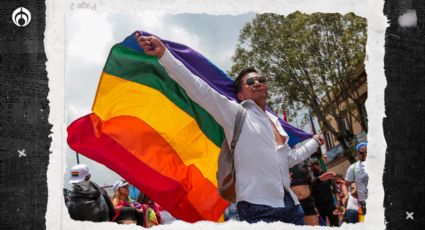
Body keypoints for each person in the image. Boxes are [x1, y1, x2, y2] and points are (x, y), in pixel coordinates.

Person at [136, 33, 324, 225]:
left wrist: (314, 142)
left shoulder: (276, 123)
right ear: (241, 94)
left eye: (261, 79)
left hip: (291, 205)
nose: (257, 82)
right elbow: (199, 89)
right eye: (250, 82)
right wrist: (165, 55)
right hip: (258, 207)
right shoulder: (235, 114)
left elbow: (289, 158)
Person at [289, 158, 335, 225]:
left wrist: (319, 178)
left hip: (308, 203)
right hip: (292, 205)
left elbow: (309, 182)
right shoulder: (276, 157)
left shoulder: (302, 159)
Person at [309, 158, 339, 226]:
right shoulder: (310, 179)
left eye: (316, 164)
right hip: (319, 207)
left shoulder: (327, 174)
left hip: (330, 204)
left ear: (320, 165)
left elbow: (335, 190)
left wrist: (337, 202)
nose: (315, 167)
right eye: (312, 165)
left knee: (335, 225)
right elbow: (310, 193)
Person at [345, 141, 368, 222]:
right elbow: (346, 184)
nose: (364, 154)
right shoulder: (353, 168)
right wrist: (352, 192)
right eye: (362, 152)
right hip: (364, 202)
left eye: (366, 152)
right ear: (358, 153)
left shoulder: (376, 164)